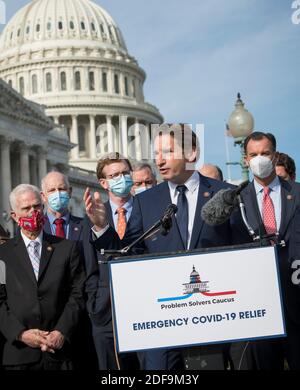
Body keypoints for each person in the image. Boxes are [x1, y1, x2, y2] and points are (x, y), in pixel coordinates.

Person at [84, 124, 237, 370]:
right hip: (163, 323)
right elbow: (128, 256)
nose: (159, 160)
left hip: (214, 317)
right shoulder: (145, 202)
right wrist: (102, 228)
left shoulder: (224, 194)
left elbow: (240, 252)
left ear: (191, 154)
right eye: (156, 154)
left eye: (167, 152)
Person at [232, 131, 300, 370]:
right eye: (253, 154)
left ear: (275, 155)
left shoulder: (298, 193)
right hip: (258, 310)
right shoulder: (236, 201)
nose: (259, 159)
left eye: (265, 153)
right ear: (245, 160)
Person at [0, 184, 85, 370]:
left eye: (37, 206)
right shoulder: (2, 254)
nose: (33, 212)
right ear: (14, 216)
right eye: (26, 208)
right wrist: (21, 334)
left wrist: (61, 331)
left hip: (60, 353)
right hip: (19, 354)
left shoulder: (67, 248)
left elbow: (77, 293)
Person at [86, 153, 140, 370]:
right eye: (115, 175)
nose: (121, 178)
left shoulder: (148, 210)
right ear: (104, 182)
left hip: (144, 306)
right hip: (105, 312)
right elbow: (89, 267)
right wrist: (95, 304)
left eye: (125, 173)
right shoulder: (93, 215)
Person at [40, 171, 98, 369]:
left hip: (81, 319)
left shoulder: (84, 226)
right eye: (52, 190)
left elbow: (91, 269)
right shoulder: (35, 231)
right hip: (47, 323)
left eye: (62, 189)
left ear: (71, 191)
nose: (58, 193)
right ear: (43, 196)